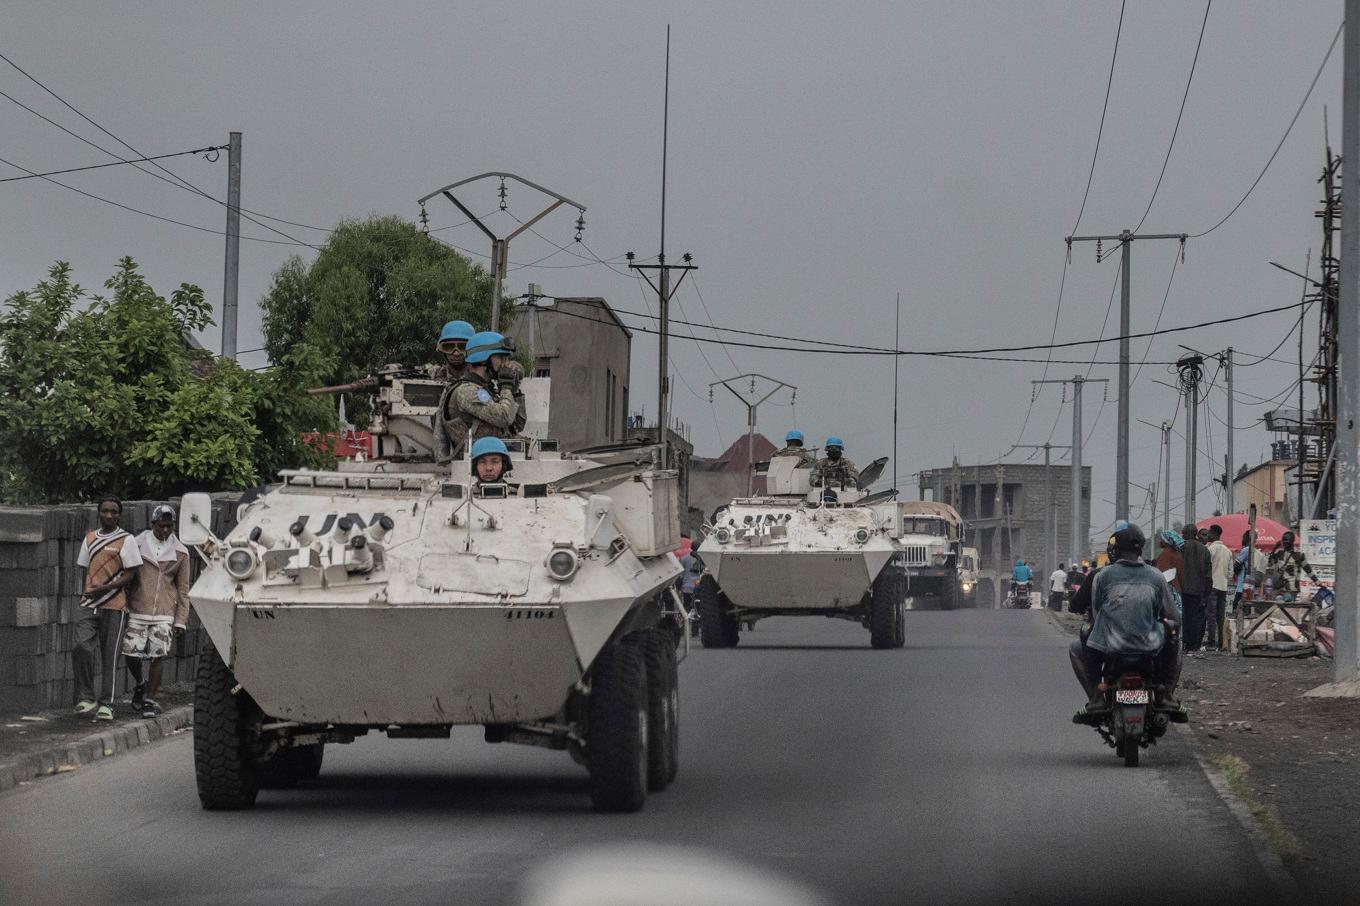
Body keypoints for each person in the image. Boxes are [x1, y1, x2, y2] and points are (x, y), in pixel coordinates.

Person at [1070, 525, 1184, 723]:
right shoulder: (1156, 576)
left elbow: (1097, 613)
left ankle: (1096, 697)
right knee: (1176, 638)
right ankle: (1166, 695)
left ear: (1116, 550)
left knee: (1078, 644)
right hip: (1150, 643)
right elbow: (1173, 614)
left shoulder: (1102, 576)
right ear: (1140, 549)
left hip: (1111, 645)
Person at [73, 497, 143, 721]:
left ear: (119, 515)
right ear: (99, 512)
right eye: (105, 511)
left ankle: (108, 703)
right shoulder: (90, 538)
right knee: (81, 646)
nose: (109, 515)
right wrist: (88, 592)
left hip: (115, 605)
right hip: (89, 603)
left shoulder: (126, 539)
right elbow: (84, 569)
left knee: (109, 656)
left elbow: (132, 573)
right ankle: (86, 697)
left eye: (114, 512)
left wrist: (105, 588)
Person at [125, 505, 190, 718]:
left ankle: (150, 701)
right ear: (153, 524)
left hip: (164, 612)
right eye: (161, 526)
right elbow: (126, 576)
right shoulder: (136, 544)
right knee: (131, 653)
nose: (165, 530)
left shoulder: (181, 552)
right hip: (138, 607)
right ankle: (140, 683)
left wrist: (181, 619)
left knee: (158, 656)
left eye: (169, 527)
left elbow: (183, 589)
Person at [441, 331, 523, 460]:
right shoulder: (467, 391)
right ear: (485, 358)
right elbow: (504, 418)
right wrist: (506, 387)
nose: (505, 363)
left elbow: (518, 425)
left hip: (492, 457)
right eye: (501, 357)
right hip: (475, 464)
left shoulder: (488, 388)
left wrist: (514, 389)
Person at [433, 320, 477, 464]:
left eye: (462, 347)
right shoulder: (437, 376)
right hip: (448, 452)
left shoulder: (481, 376)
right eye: (449, 347)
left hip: (479, 448)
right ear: (442, 350)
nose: (456, 353)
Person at [1178, 526, 1212, 653]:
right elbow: (1208, 574)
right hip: (1198, 590)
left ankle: (1185, 643)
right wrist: (1207, 592)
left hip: (1182, 589)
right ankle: (1194, 645)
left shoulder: (1180, 548)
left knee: (1184, 617)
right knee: (1196, 618)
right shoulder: (1204, 550)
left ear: (1185, 534)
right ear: (1196, 534)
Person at [1266, 531, 1317, 603]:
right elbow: (1269, 563)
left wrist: (1317, 581)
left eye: (1286, 541)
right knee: (1274, 602)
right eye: (1283, 541)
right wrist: (1275, 548)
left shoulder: (1299, 555)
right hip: (1280, 587)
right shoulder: (1279, 553)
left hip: (1292, 589)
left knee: (1283, 600)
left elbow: (1307, 569)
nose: (1284, 543)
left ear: (1291, 542)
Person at [1205, 524, 1233, 650]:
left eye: (1209, 533)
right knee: (1221, 616)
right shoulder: (1228, 551)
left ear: (1214, 534)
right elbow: (1231, 573)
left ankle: (1211, 642)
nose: (1208, 535)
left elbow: (1206, 567)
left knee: (1211, 615)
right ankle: (1222, 642)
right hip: (1223, 586)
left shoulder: (1211, 549)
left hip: (1212, 586)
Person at [680, 544, 703, 638]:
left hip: (686, 587)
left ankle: (683, 629)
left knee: (685, 609)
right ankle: (695, 631)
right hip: (698, 587)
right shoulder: (703, 559)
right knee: (697, 609)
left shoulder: (684, 558)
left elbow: (681, 574)